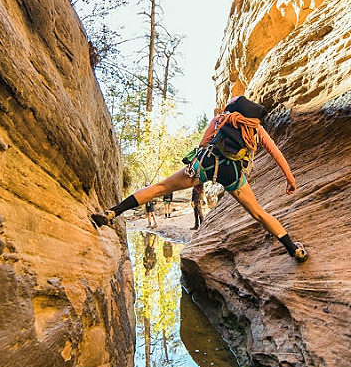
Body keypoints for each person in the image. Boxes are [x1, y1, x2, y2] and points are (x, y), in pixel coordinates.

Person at [92, 95, 308, 262]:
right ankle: (294, 249)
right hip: (232, 174)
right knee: (259, 213)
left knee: (160, 187)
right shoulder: (256, 128)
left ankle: (113, 212)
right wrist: (290, 179)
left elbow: (204, 143)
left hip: (204, 166)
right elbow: (276, 153)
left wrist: (198, 164)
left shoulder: (221, 120)